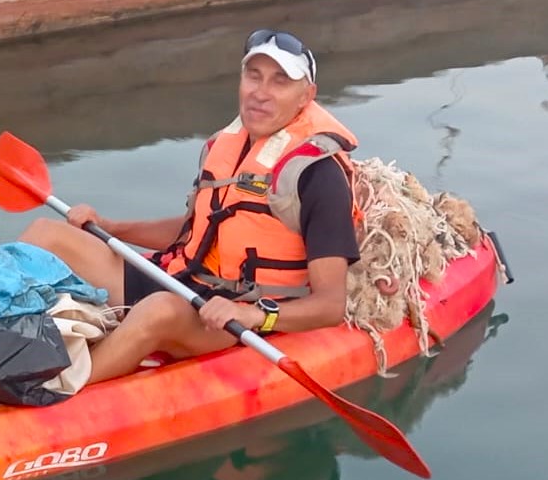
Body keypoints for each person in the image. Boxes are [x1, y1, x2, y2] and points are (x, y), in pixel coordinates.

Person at [20, 29, 361, 384]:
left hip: (229, 317)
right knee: (46, 236)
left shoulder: (319, 175)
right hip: (181, 279)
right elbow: (193, 228)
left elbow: (329, 306)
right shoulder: (225, 145)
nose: (261, 93)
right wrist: (112, 227)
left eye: (280, 82)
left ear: (306, 96)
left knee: (159, 310)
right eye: (253, 76)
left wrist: (256, 316)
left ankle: (53, 393)